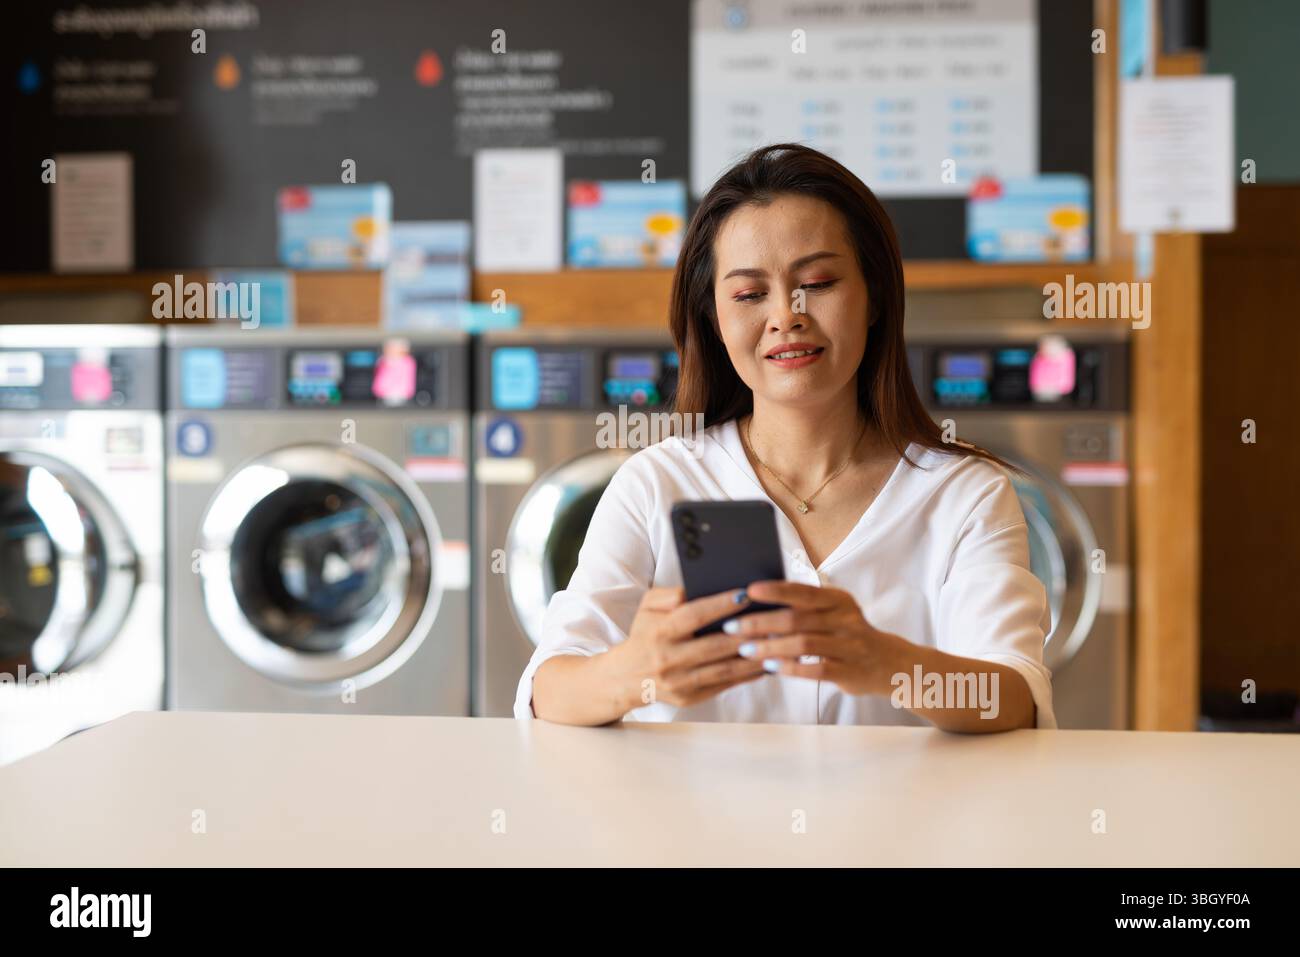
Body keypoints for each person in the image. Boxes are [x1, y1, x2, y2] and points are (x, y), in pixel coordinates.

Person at [516, 143, 1055, 732]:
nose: (786, 316)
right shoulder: (657, 483)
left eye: (818, 282)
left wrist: (886, 664)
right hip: (693, 823)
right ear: (714, 320)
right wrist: (637, 672)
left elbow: (1014, 698)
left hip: (903, 822)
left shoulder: (965, 493)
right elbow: (550, 689)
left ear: (873, 296)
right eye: (749, 294)